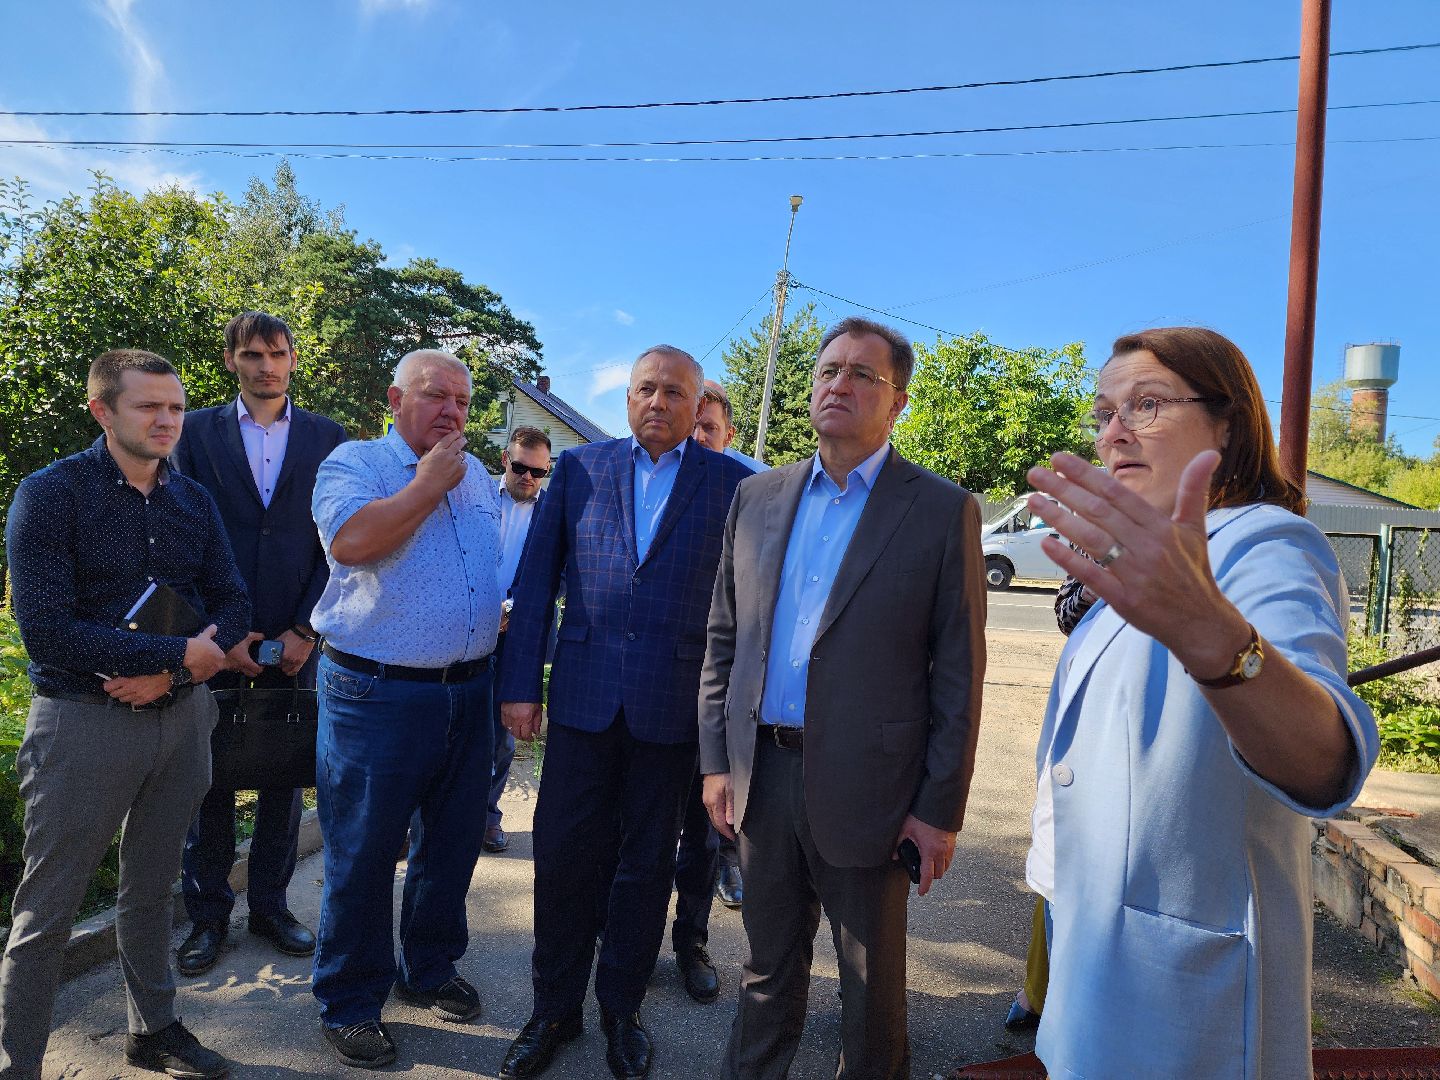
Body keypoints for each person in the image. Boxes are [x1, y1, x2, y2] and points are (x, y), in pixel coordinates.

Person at [1023, 326, 1378, 1078]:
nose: (1114, 432)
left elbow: (1324, 764)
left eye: (1145, 404)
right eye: (1103, 413)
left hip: (1187, 1008)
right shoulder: (1138, 566)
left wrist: (1214, 638)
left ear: (1228, 424)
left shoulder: (1265, 545)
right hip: (1093, 959)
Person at [699, 316, 987, 1079]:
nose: (839, 384)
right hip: (762, 774)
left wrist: (938, 810)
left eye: (863, 374)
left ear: (898, 402)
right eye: (829, 370)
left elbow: (959, 673)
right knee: (766, 970)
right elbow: (725, 639)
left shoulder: (938, 509)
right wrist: (716, 764)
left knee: (868, 989)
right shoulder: (757, 497)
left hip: (874, 788)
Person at [497, 345, 750, 1080]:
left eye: (675, 392)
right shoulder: (580, 470)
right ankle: (552, 1012)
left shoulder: (732, 483)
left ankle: (620, 1010)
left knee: (645, 869)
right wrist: (520, 687)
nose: (658, 402)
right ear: (628, 396)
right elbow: (537, 579)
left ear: (697, 402)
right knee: (566, 861)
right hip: (580, 704)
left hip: (671, 711)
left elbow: (741, 608)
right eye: (646, 389)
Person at [2, 349, 250, 1080]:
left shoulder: (192, 500)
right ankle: (19, 1065)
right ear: (102, 412)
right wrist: (179, 656)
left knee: (154, 888)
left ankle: (156, 1031)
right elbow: (44, 629)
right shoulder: (50, 495)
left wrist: (174, 670)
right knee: (45, 913)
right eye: (149, 407)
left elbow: (233, 597)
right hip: (83, 725)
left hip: (182, 722)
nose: (168, 420)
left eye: (174, 407)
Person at [307, 349, 503, 1069]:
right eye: (434, 396)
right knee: (362, 854)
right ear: (395, 398)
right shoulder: (353, 464)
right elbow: (354, 543)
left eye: (462, 401)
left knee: (449, 847)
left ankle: (427, 968)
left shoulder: (478, 475)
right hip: (375, 693)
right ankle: (351, 999)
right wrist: (426, 485)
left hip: (467, 689)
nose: (452, 412)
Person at [172, 311, 345, 976]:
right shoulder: (192, 433)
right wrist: (217, 631)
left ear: (294, 359)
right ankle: (208, 918)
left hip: (298, 640)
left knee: (282, 779)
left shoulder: (330, 438)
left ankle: (270, 907)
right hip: (216, 637)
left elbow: (341, 540)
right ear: (230, 360)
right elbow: (180, 534)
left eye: (277, 353)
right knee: (205, 781)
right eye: (252, 354)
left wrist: (306, 628)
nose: (266, 365)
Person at [676, 380, 768, 925]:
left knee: (709, 820)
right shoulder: (658, 484)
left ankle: (692, 940)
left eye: (708, 429)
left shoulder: (755, 489)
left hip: (726, 690)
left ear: (729, 434)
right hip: (662, 687)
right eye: (692, 427)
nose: (697, 439)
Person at [484, 424, 554, 855]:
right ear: (506, 461)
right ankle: (434, 819)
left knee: (501, 736)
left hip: (517, 637)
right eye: (522, 467)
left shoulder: (553, 513)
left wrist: (511, 610)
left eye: (539, 472)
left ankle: (487, 816)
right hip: (462, 630)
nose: (529, 478)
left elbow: (560, 575)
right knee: (445, 729)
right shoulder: (477, 501)